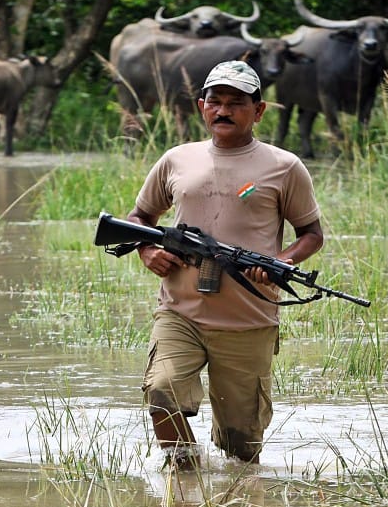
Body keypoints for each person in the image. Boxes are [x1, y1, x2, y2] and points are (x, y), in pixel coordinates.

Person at [124, 60, 325, 469]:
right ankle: (184, 478)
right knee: (162, 392)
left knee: (241, 448)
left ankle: (235, 502)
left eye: (236, 103)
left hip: (248, 319)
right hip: (179, 311)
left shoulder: (285, 166)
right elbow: (139, 219)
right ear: (202, 107)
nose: (223, 111)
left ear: (259, 110)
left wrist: (279, 262)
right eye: (215, 102)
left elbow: (312, 234)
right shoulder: (176, 159)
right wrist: (148, 252)